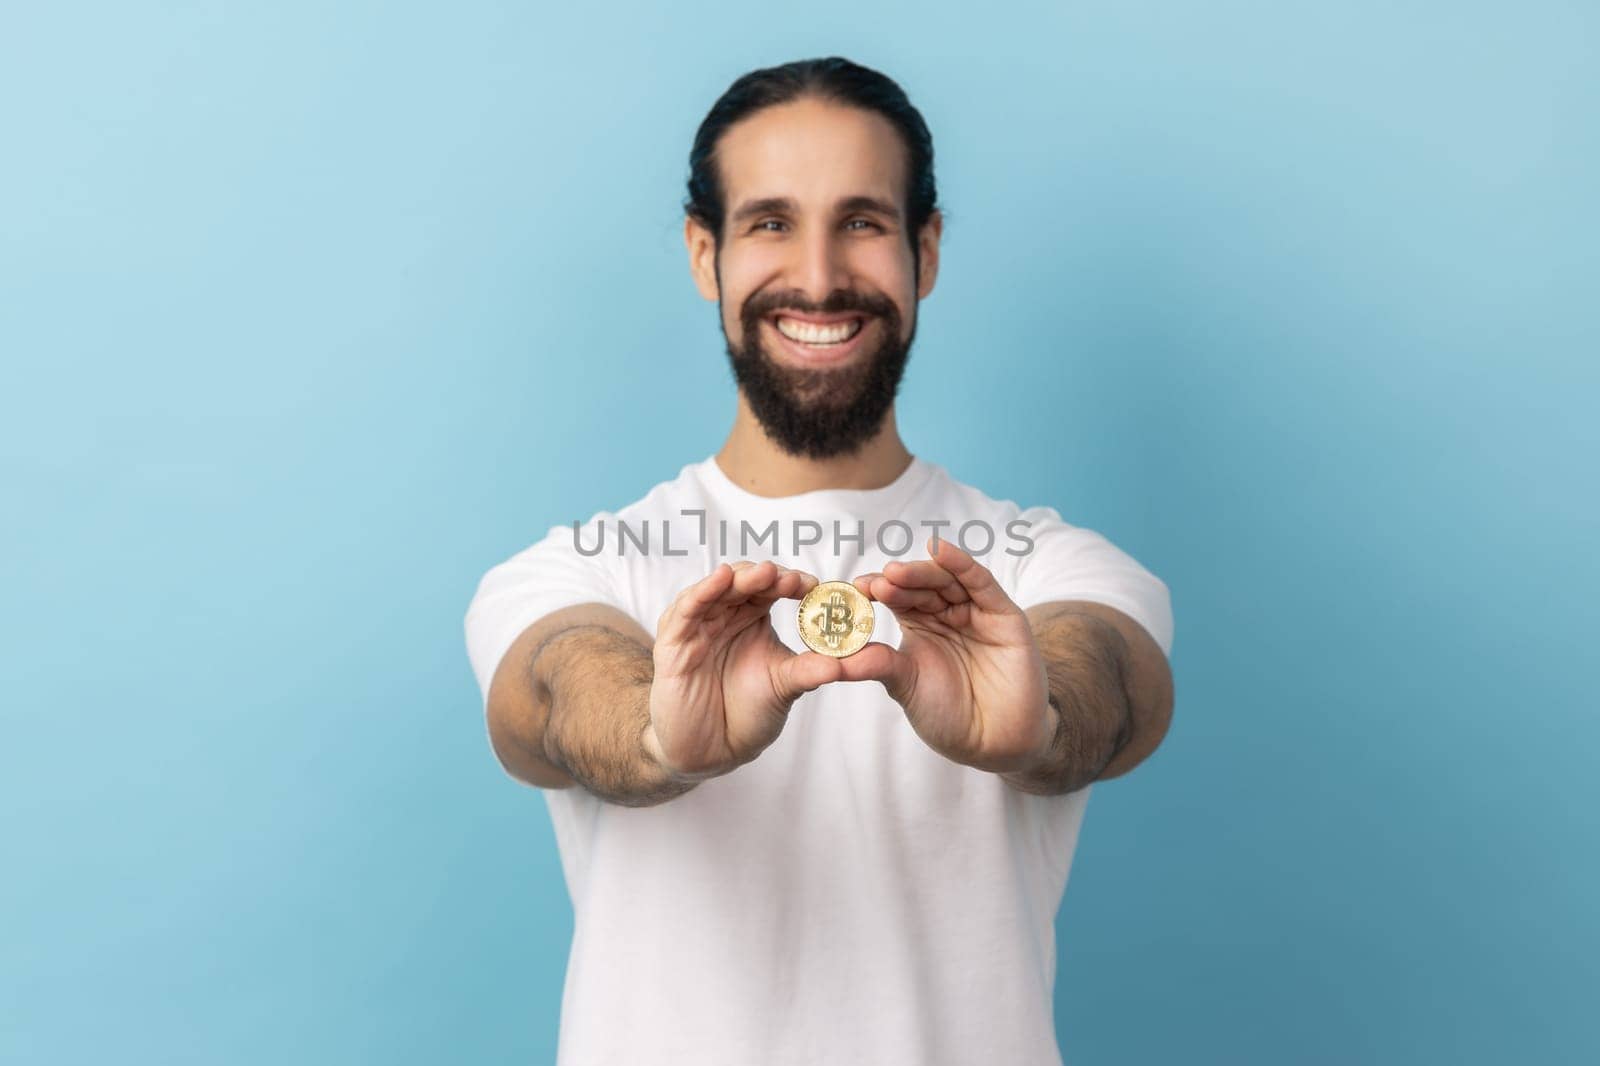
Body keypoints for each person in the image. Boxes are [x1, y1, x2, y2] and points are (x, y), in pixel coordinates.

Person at [463, 56, 1175, 1066]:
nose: (817, 276)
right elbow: (556, 695)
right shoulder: (579, 568)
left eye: (862, 221)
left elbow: (1115, 682)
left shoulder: (1044, 565)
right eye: (769, 222)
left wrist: (1039, 719)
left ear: (924, 251)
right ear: (703, 255)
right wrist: (659, 734)